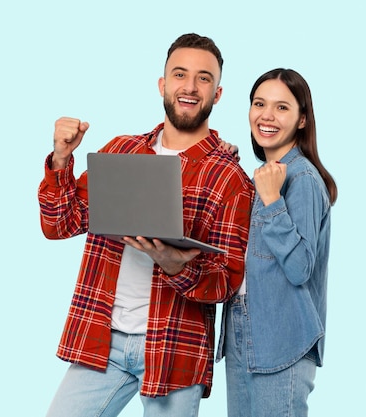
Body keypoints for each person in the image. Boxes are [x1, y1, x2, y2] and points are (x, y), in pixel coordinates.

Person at [38, 33, 254, 417]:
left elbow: (228, 280)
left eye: (203, 78)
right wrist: (60, 160)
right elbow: (60, 224)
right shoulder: (121, 151)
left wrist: (179, 268)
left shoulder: (230, 178)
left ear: (217, 94)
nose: (189, 86)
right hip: (101, 338)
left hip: (175, 347)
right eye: (179, 74)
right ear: (163, 85)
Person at [217, 68, 338, 417]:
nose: (266, 115)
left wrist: (272, 201)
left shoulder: (300, 177)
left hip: (282, 337)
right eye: (259, 104)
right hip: (242, 327)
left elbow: (300, 268)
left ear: (302, 119)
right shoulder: (265, 177)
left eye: (282, 107)